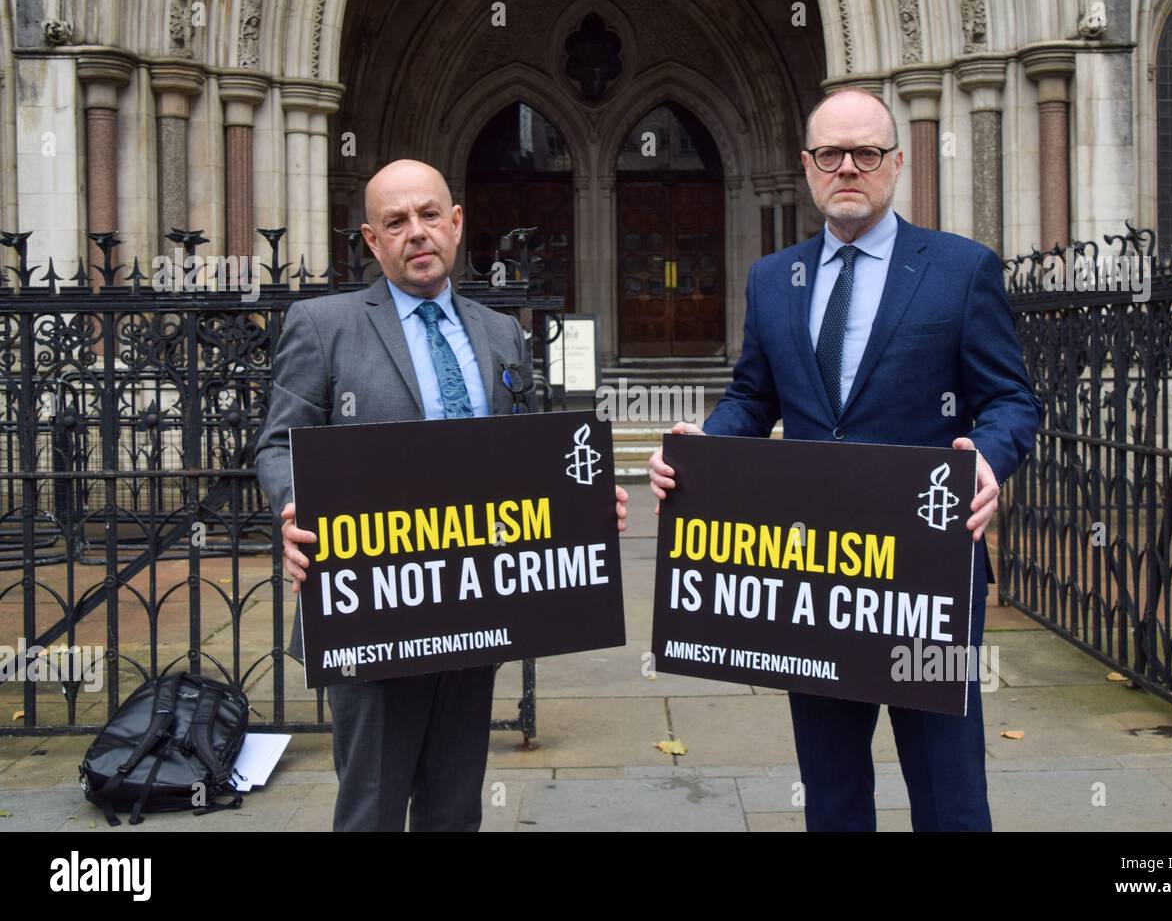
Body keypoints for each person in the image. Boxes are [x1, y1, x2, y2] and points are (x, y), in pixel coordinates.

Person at [648, 89, 1041, 832]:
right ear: (806, 167)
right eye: (831, 154)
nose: (848, 168)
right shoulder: (774, 280)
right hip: (818, 578)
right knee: (830, 793)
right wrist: (702, 443)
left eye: (866, 153)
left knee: (949, 788)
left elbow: (1014, 401)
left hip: (927, 576)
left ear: (898, 162)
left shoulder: (962, 270)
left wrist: (989, 458)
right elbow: (752, 398)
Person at [256, 159, 629, 831]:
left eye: (429, 215)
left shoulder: (499, 331)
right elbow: (278, 443)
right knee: (371, 800)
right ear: (372, 241)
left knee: (455, 800)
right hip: (368, 604)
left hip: (474, 599)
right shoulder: (322, 323)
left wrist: (585, 504)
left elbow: (527, 455)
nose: (416, 232)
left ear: (456, 225)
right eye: (396, 222)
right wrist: (292, 507)